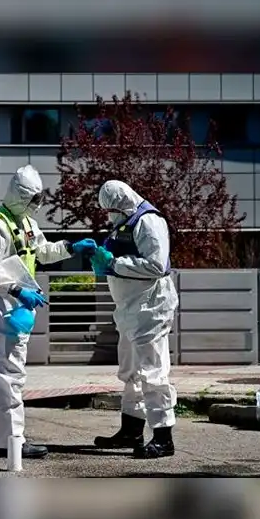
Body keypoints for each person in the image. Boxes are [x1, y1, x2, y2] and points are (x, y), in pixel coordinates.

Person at [0, 165, 98, 459]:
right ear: (20, 196)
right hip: (1, 304)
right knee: (11, 372)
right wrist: (16, 290)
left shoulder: (25, 223)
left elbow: (42, 251)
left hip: (15, 303)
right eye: (32, 199)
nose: (36, 205)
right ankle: (12, 440)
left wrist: (70, 247)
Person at [91, 180, 178, 459]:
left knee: (153, 373)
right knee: (131, 373)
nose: (109, 215)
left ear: (124, 201)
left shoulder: (149, 222)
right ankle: (131, 430)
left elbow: (155, 265)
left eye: (112, 209)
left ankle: (163, 437)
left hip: (150, 309)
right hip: (130, 310)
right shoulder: (125, 221)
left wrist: (113, 265)